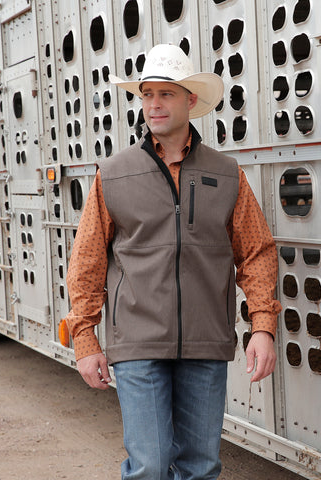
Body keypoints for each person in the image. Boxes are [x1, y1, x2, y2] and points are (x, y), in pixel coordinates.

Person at [64, 44, 282, 480]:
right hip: (138, 344)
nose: (155, 104)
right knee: (150, 466)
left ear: (191, 101)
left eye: (166, 93)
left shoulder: (226, 174)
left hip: (205, 342)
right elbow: (87, 261)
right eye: (147, 94)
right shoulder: (114, 173)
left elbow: (256, 252)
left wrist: (263, 327)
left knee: (201, 468)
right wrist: (85, 338)